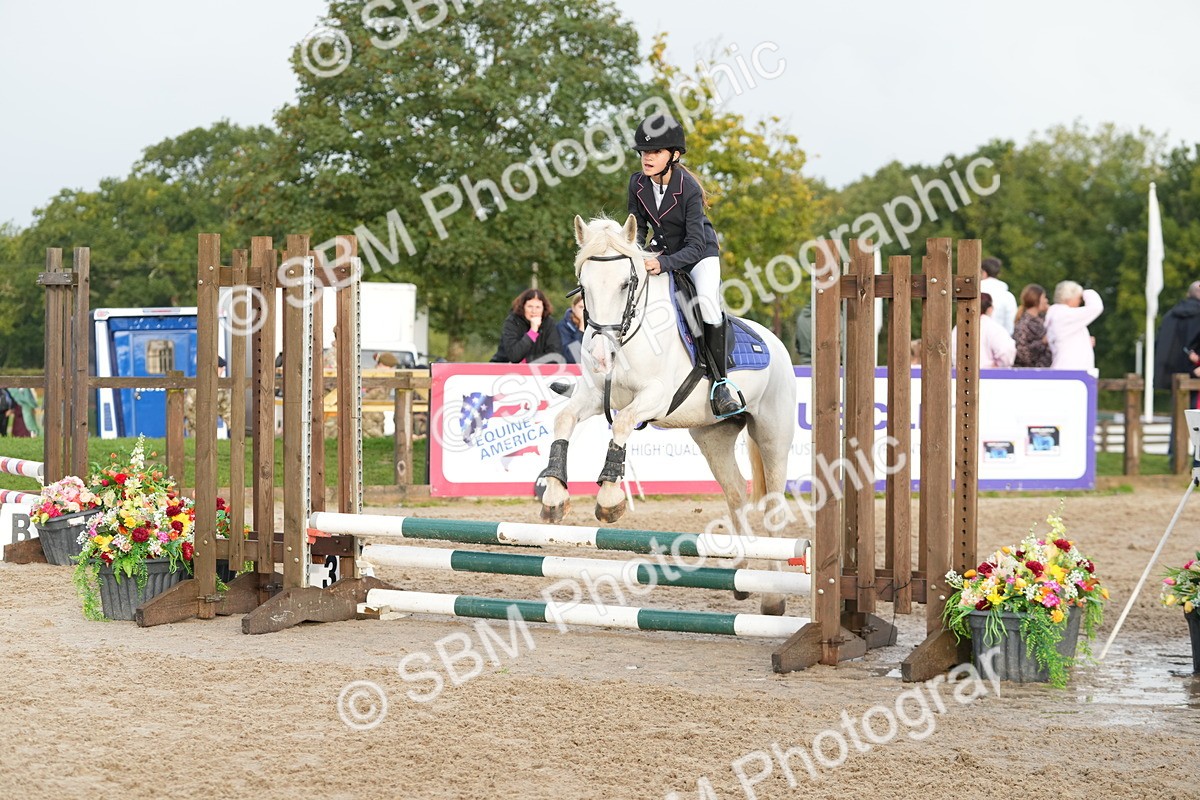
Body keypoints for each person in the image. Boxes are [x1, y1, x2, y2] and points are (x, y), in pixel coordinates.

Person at [628, 112, 741, 417]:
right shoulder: (637, 184)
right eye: (644, 152)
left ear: (674, 155)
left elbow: (693, 245)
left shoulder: (688, 188)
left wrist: (663, 263)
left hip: (699, 254)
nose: (647, 158)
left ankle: (720, 383)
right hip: (661, 251)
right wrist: (634, 255)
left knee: (705, 303)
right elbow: (637, 229)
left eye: (655, 152)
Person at [1154, 281, 1200, 407]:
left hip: (1173, 374)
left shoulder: (1170, 315)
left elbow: (1159, 344)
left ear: (1187, 294)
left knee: (1179, 414)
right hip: (1196, 371)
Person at [491, 288, 562, 364]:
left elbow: (555, 356)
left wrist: (527, 362)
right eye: (530, 306)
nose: (534, 311)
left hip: (536, 371)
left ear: (543, 308)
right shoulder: (512, 322)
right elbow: (514, 356)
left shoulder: (549, 323)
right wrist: (532, 332)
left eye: (538, 307)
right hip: (503, 369)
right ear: (523, 307)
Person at [1044, 281, 1104, 371]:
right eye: (1079, 298)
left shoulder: (1059, 314)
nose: (1080, 301)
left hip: (1069, 370)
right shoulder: (1063, 315)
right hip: (1070, 371)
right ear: (1069, 297)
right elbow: (1096, 307)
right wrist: (1085, 292)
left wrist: (1085, 342)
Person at [951, 293, 1015, 368]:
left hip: (961, 373)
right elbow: (1006, 352)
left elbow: (953, 354)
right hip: (990, 376)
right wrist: (998, 366)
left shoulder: (958, 327)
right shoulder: (994, 328)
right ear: (990, 309)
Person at [1013, 283, 1052, 368]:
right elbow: (1022, 351)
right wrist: (1042, 342)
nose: (1046, 301)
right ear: (1036, 299)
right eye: (1044, 297)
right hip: (1031, 372)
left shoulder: (1043, 319)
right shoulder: (1024, 323)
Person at [980, 257, 1018, 337]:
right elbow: (1011, 325)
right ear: (998, 274)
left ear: (984, 272)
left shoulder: (975, 293)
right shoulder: (1008, 296)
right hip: (1000, 340)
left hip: (974, 341)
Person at [557, 294, 585, 364]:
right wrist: (580, 331)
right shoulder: (563, 326)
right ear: (573, 307)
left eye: (588, 308)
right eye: (581, 307)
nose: (584, 311)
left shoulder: (596, 327)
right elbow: (571, 357)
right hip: (571, 371)